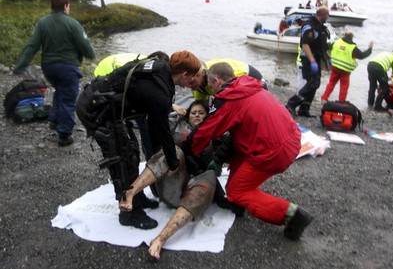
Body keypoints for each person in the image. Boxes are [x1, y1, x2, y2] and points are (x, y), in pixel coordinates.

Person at [182, 62, 312, 241]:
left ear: (218, 81)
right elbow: (236, 134)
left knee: (237, 192)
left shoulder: (229, 99)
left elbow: (205, 131)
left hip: (274, 152)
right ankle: (241, 199)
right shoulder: (250, 85)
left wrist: (184, 148)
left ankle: (294, 215)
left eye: (212, 86)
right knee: (237, 162)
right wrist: (219, 160)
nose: (212, 90)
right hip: (289, 137)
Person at [76, 51, 201, 230]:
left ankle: (138, 197)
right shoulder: (159, 90)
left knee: (132, 152)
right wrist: (173, 162)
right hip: (95, 109)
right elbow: (161, 129)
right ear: (184, 74)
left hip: (110, 108)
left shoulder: (161, 70)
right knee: (121, 159)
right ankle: (128, 214)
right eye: (192, 77)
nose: (192, 82)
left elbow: (153, 124)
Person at [118, 100, 220, 260]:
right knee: (173, 152)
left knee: (210, 176)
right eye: (194, 112)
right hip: (174, 184)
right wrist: (174, 113)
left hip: (194, 190)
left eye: (201, 113)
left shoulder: (213, 132)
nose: (198, 115)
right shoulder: (178, 126)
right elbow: (160, 129)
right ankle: (131, 191)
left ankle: (160, 239)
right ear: (188, 115)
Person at [13, 0, 96, 146]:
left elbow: (32, 45)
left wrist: (20, 66)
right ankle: (64, 135)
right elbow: (85, 46)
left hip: (48, 67)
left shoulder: (42, 23)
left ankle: (54, 120)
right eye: (68, 5)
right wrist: (91, 55)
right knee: (68, 98)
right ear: (66, 6)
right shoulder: (73, 24)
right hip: (68, 68)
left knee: (60, 91)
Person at [286, 6, 330, 117]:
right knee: (312, 84)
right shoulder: (310, 27)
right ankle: (291, 103)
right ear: (322, 15)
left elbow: (321, 46)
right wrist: (312, 61)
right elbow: (305, 44)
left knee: (315, 84)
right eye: (327, 15)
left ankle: (304, 108)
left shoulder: (320, 27)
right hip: (309, 59)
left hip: (316, 58)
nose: (328, 17)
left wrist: (328, 59)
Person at [321, 31, 373, 102]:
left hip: (335, 67)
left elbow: (328, 47)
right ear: (352, 37)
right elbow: (361, 56)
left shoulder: (337, 42)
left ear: (344, 35)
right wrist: (369, 49)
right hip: (345, 70)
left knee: (331, 83)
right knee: (344, 86)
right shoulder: (352, 47)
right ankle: (341, 101)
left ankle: (324, 98)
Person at [191, 58, 266, 102]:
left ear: (202, 74)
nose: (188, 86)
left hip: (249, 74)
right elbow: (201, 105)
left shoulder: (223, 78)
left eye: (192, 82)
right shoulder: (196, 84)